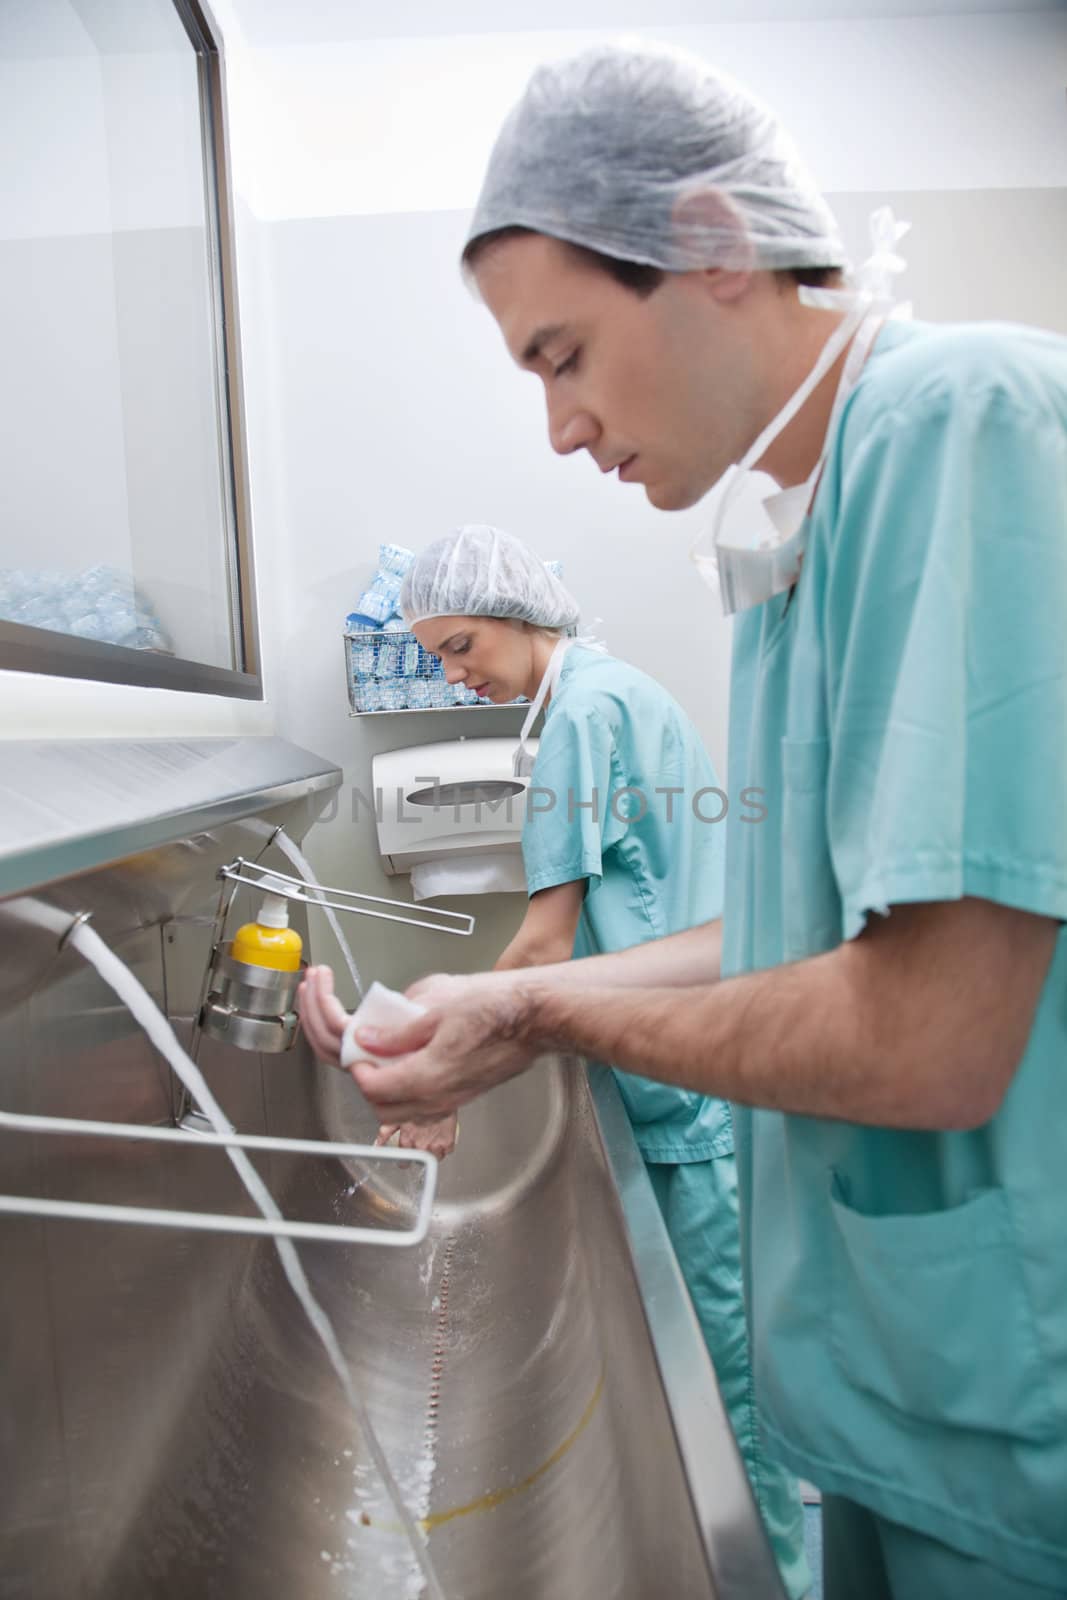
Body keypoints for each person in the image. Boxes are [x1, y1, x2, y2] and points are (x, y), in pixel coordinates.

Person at [299, 40, 1067, 1600]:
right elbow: (771, 945)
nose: (561, 431)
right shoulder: (784, 559)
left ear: (711, 244)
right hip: (888, 1386)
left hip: (1001, 1408)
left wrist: (542, 1009)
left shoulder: (956, 422)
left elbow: (924, 1034)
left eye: (563, 354)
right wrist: (508, 1004)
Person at [376, 520, 811, 1597]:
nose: (454, 671)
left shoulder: (581, 716)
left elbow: (543, 945)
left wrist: (446, 1084)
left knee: (726, 1382)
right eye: (436, 655)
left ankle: (784, 1585)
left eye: (462, 643)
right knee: (738, 1366)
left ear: (521, 615)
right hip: (701, 1059)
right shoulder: (614, 693)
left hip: (684, 1085)